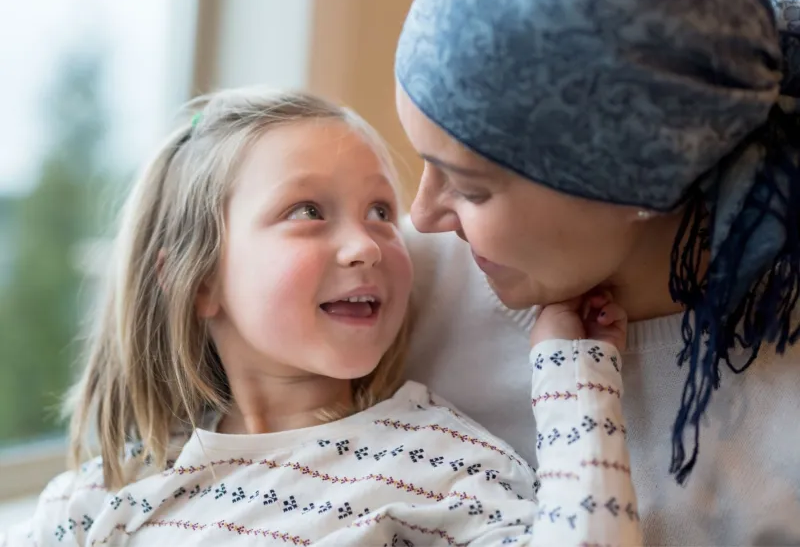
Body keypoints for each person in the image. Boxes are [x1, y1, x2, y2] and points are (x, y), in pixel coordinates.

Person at [1, 87, 641, 546]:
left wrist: (572, 375)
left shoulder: (441, 464)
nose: (367, 244)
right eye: (307, 211)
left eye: (381, 213)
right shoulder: (99, 499)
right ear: (197, 279)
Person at [394, 0, 800, 544]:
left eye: (472, 189)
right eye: (426, 164)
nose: (421, 215)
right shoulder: (391, 289)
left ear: (644, 182)